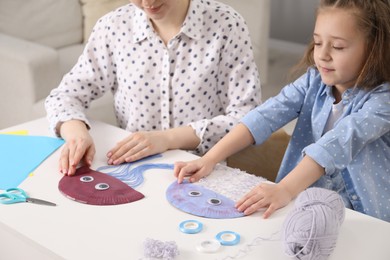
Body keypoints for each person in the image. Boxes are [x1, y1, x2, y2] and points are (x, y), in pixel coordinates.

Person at [174, 0, 390, 222]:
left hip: (365, 216)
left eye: (337, 47)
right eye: (317, 43)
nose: (323, 55)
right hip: (303, 205)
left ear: (374, 49)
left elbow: (336, 145)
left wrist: (285, 189)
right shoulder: (311, 82)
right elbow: (263, 117)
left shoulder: (383, 101)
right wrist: (210, 159)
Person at [45, 0, 261, 176]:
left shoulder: (226, 24)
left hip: (204, 170)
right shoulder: (113, 27)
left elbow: (249, 117)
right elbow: (64, 96)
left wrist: (166, 139)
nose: (148, 2)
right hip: (132, 172)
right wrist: (76, 134)